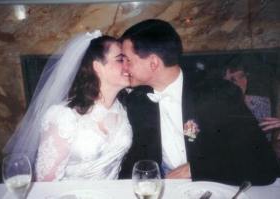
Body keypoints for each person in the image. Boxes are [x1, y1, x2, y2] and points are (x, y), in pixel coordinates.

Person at [119, 19, 279, 185]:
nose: (122, 68)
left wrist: (194, 169)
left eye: (126, 60)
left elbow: (265, 166)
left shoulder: (217, 94)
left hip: (213, 187)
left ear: (153, 63)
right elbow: (138, 158)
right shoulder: (138, 101)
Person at [3, 31, 132, 181]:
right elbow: (46, 182)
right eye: (120, 59)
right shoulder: (63, 116)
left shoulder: (122, 109)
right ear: (97, 66)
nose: (127, 65)